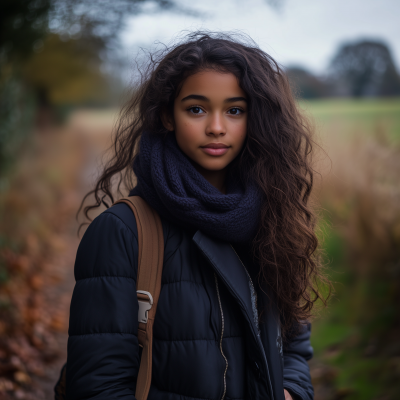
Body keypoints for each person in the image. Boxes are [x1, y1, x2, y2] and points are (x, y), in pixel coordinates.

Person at [66, 32, 327, 400]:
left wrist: (290, 391)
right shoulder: (121, 232)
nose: (216, 127)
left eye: (235, 110)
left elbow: (293, 341)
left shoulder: (272, 219)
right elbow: (97, 385)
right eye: (196, 109)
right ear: (167, 117)